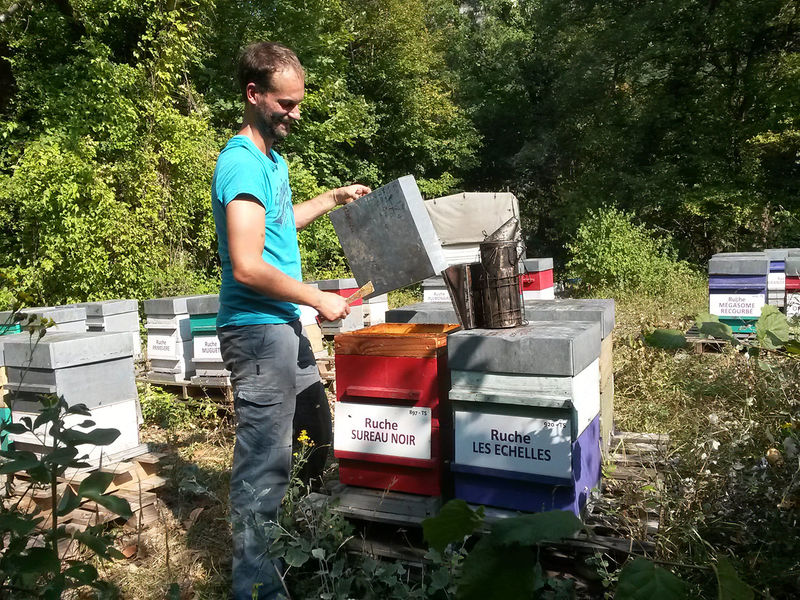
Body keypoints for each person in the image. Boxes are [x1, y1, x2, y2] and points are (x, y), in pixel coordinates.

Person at [210, 41, 371, 600]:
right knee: (264, 467)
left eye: (299, 103)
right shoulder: (240, 162)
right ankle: (256, 588)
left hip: (282, 330)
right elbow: (248, 264)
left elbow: (276, 228)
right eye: (286, 103)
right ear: (254, 95)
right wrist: (317, 298)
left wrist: (329, 198)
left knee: (315, 439)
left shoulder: (272, 163)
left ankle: (295, 551)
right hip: (257, 332)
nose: (295, 114)